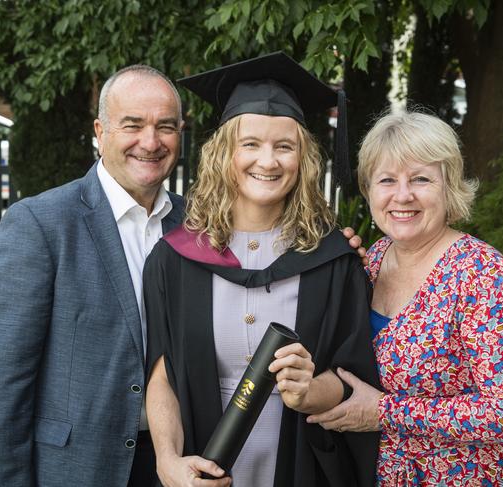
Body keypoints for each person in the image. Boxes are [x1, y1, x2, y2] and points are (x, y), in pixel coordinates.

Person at [144, 52, 380, 487]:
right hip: (203, 469)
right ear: (223, 153)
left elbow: (353, 378)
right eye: (250, 144)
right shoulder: (174, 259)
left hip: (303, 469)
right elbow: (162, 375)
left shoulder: (333, 262)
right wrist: (166, 460)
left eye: (284, 146)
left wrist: (310, 389)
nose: (267, 162)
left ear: (303, 158)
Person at [0, 65, 186, 486]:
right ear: (101, 132)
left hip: (174, 464)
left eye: (166, 126)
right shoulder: (41, 225)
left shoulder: (196, 225)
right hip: (75, 468)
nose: (151, 142)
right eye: (133, 125)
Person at [307, 111, 503, 485]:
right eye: (387, 180)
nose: (403, 195)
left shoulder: (485, 278)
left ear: (448, 187)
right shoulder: (372, 262)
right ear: (369, 188)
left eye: (421, 179)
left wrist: (386, 412)